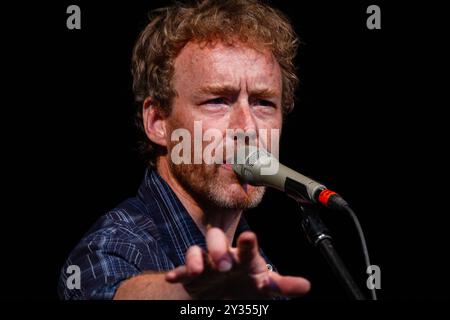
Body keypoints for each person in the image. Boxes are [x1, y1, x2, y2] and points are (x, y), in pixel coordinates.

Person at [58, 0, 311, 300]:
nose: (247, 128)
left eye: (263, 103)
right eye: (217, 100)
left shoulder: (257, 267)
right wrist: (187, 291)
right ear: (157, 122)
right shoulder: (113, 247)